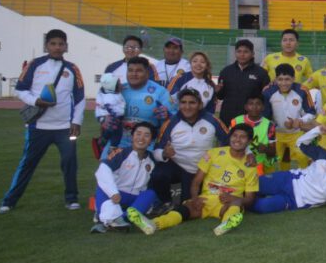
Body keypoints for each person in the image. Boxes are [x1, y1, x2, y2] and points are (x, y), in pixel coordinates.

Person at [0, 29, 85, 213]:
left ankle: (71, 199)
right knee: (27, 163)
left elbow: (80, 98)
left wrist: (76, 122)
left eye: (61, 44)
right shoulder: (34, 65)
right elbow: (20, 89)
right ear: (46, 45)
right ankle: (9, 201)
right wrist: (35, 101)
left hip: (64, 128)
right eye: (53, 43)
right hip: (38, 126)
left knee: (70, 163)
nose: (57, 47)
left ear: (66, 47)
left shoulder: (72, 68)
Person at [128, 124, 258, 237]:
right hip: (206, 199)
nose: (237, 140)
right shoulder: (213, 153)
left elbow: (250, 199)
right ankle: (154, 224)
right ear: (230, 137)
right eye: (235, 136)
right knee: (186, 208)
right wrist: (195, 198)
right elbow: (196, 181)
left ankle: (226, 224)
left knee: (235, 206)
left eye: (242, 137)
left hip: (226, 204)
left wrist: (236, 199)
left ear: (249, 141)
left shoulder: (250, 165)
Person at [150, 89, 229, 206]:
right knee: (158, 174)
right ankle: (166, 202)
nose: (187, 107)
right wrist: (164, 154)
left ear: (200, 105)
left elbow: (230, 141)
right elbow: (156, 151)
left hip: (204, 169)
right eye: (183, 102)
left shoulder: (212, 120)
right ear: (179, 104)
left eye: (192, 102)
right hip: (178, 166)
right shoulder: (171, 122)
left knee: (193, 202)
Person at [250, 128, 326, 214]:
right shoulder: (324, 155)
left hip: (295, 200)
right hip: (289, 180)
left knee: (261, 206)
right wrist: (318, 129)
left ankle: (240, 204)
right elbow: (301, 143)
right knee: (254, 184)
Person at [91, 123, 158, 233]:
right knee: (102, 186)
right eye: (138, 134)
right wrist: (113, 192)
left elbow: (160, 155)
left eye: (146, 135)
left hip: (133, 197)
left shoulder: (152, 160)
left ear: (151, 140)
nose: (141, 138)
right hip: (116, 194)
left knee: (150, 194)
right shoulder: (121, 153)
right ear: (132, 137)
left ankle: (120, 219)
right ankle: (106, 219)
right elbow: (103, 169)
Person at [262, 64, 318, 172]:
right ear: (275, 79)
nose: (284, 83)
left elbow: (311, 112)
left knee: (302, 157)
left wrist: (299, 121)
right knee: (270, 160)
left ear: (293, 78)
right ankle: (269, 181)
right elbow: (265, 115)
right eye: (280, 79)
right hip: (276, 134)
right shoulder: (268, 91)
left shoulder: (302, 90)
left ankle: (304, 181)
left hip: (296, 133)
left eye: (287, 79)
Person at [117, 57, 175, 149]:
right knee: (104, 162)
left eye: (139, 71)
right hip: (119, 142)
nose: (134, 74)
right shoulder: (119, 91)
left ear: (147, 73)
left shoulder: (160, 92)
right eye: (130, 70)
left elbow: (174, 117)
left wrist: (167, 114)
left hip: (147, 145)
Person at [217, 39, 271, 126]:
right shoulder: (226, 71)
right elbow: (220, 96)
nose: (242, 55)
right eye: (239, 51)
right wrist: (217, 91)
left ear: (252, 54)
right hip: (227, 118)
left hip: (251, 119)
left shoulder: (261, 73)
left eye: (246, 51)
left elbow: (265, 98)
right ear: (235, 53)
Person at [230, 95, 278, 175]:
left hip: (259, 163)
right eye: (251, 104)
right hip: (237, 161)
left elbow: (273, 152)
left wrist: (265, 149)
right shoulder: (236, 121)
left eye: (258, 104)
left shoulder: (269, 125)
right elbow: (228, 144)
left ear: (263, 107)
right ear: (246, 107)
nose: (254, 107)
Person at [94, 73, 126, 152]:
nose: (121, 85)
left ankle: (106, 139)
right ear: (112, 86)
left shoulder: (104, 92)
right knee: (117, 131)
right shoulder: (111, 97)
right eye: (118, 83)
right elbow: (117, 109)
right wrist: (119, 115)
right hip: (111, 116)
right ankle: (112, 145)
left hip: (102, 116)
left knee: (111, 129)